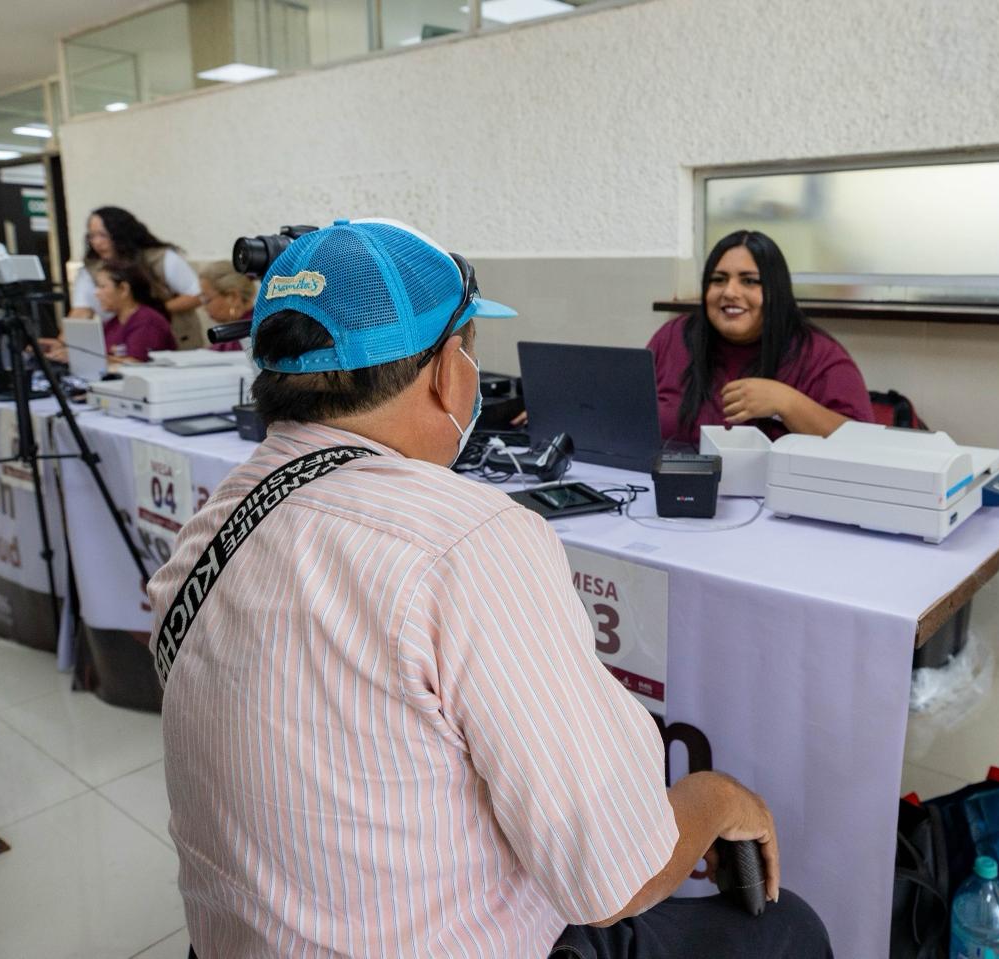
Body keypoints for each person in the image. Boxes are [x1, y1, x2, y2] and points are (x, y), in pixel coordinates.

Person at [148, 218, 831, 959]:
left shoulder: (209, 525)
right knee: (790, 927)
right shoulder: (466, 542)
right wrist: (715, 797)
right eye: (471, 349)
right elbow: (612, 876)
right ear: (448, 371)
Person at [648, 230, 872, 446]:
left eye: (749, 281)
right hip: (668, 483)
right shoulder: (673, 336)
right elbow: (628, 416)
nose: (729, 292)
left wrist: (787, 403)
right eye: (718, 279)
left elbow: (864, 445)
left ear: (776, 291)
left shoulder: (819, 355)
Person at [68, 206, 204, 348]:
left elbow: (197, 295)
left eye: (103, 235)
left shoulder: (160, 258)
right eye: (92, 236)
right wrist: (64, 343)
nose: (97, 242)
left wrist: (147, 313)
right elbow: (81, 310)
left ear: (120, 234)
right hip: (122, 345)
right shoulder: (92, 268)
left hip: (177, 340)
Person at [95, 259, 176, 362]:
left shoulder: (147, 321)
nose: (97, 293)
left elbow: (136, 362)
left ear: (124, 289)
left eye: (102, 287)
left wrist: (95, 360)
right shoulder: (111, 324)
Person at [196, 260, 254, 352]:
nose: (204, 308)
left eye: (207, 300)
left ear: (233, 297)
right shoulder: (235, 330)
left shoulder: (248, 334)